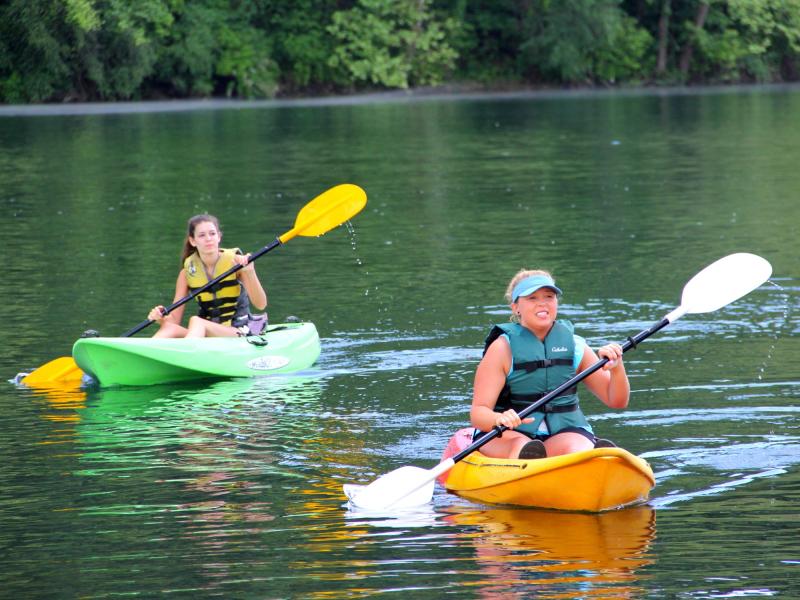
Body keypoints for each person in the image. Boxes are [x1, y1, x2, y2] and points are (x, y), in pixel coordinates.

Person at [470, 269, 629, 460]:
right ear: (515, 307)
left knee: (579, 447)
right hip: (508, 434)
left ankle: (591, 460)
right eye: (532, 298)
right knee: (522, 446)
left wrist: (617, 368)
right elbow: (478, 413)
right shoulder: (502, 349)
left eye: (549, 296)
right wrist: (499, 419)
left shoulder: (576, 346)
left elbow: (617, 401)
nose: (542, 302)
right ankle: (527, 464)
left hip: (561, 433)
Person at [148, 214, 267, 338]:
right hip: (207, 334)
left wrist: (250, 272)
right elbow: (174, 320)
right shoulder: (186, 273)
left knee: (196, 321)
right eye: (202, 235)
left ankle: (187, 353)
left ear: (219, 237)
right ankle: (144, 354)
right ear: (192, 241)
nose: (208, 238)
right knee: (169, 328)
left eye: (212, 233)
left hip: (239, 330)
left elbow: (261, 304)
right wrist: (160, 318)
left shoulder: (236, 262)